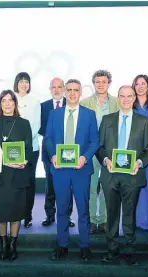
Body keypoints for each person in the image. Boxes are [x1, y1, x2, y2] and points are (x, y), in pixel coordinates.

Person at [44, 79, 99, 262]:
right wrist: (53, 156)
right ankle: (62, 245)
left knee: (83, 210)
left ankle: (84, 246)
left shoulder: (89, 115)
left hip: (81, 169)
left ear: (80, 92)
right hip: (60, 170)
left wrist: (84, 157)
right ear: (65, 93)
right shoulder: (54, 114)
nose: (73, 93)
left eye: (76, 90)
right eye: (69, 90)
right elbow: (48, 139)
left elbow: (94, 142)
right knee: (62, 209)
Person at [97, 85, 148, 266]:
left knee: (129, 214)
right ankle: (112, 250)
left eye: (130, 96)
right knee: (111, 215)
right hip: (111, 175)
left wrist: (139, 163)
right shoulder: (107, 120)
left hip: (132, 176)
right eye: (122, 96)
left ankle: (129, 251)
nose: (126, 99)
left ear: (134, 98)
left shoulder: (143, 121)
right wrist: (106, 160)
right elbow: (99, 147)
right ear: (118, 98)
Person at [0, 90, 32, 261]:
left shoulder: (24, 123)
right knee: (0, 211)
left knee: (15, 211)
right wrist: (2, 161)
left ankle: (13, 244)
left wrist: (24, 161)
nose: (7, 103)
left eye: (10, 100)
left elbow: (28, 148)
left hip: (17, 174)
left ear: (15, 103)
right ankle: (3, 244)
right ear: (0, 104)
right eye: (3, 100)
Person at [80, 70, 119, 234]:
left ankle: (103, 219)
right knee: (90, 186)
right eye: (97, 81)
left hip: (110, 151)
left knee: (106, 187)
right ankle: (90, 220)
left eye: (104, 81)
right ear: (93, 83)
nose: (101, 84)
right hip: (90, 150)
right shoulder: (85, 102)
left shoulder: (117, 102)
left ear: (109, 83)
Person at [38, 78, 74, 227]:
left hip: (69, 154)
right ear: (50, 89)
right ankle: (50, 215)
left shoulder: (71, 104)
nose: (57, 90)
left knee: (67, 187)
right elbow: (41, 129)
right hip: (49, 153)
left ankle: (67, 217)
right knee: (50, 186)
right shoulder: (43, 106)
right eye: (54, 87)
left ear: (64, 88)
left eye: (60, 87)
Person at [13, 72, 41, 228]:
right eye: (21, 81)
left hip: (31, 148)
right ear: (16, 83)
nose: (24, 84)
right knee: (13, 182)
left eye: (27, 81)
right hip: (12, 149)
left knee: (29, 182)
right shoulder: (10, 99)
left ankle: (27, 215)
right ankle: (15, 213)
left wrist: (24, 143)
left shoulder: (35, 101)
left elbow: (36, 125)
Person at [132, 75, 148, 232]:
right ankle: (136, 220)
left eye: (143, 83)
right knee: (135, 187)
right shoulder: (130, 106)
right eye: (137, 84)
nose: (140, 86)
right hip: (133, 153)